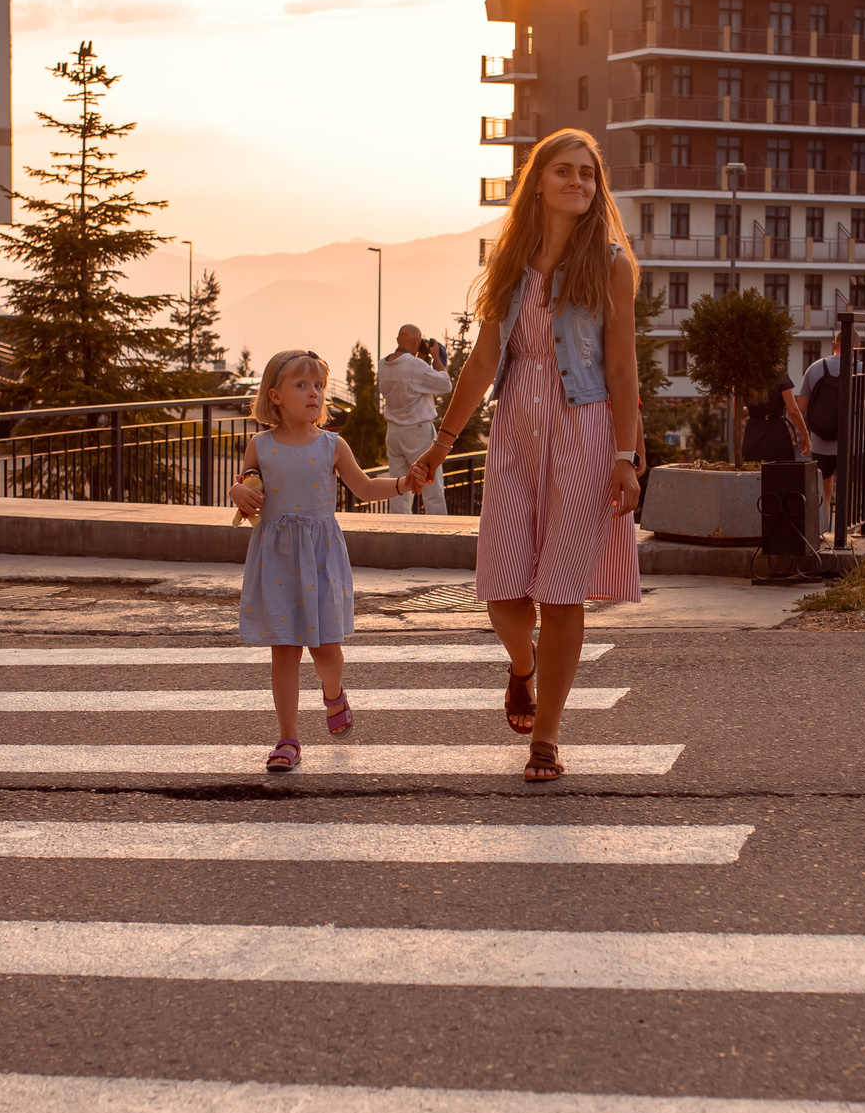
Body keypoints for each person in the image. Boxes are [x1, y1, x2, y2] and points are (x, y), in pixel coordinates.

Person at [411, 128, 642, 782]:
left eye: (587, 175)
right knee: (502, 588)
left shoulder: (611, 262)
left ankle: (546, 737)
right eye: (563, 171)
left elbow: (624, 370)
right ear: (538, 180)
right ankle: (523, 665)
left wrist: (625, 455)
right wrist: (443, 442)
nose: (576, 182)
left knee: (564, 592)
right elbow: (484, 360)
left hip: (586, 430)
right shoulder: (509, 261)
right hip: (515, 430)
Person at [230, 349, 420, 773]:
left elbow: (366, 488)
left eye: (318, 385)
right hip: (276, 559)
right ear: (275, 396)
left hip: (319, 557)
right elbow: (247, 491)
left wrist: (403, 483)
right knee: (284, 651)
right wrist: (236, 493)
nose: (313, 393)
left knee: (326, 651)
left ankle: (333, 692)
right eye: (302, 385)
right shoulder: (259, 445)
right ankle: (288, 739)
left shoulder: (332, 444)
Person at [377, 323, 454, 515]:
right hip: (418, 432)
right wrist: (436, 356)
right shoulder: (414, 365)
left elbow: (409, 380)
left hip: (394, 432)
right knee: (431, 487)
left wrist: (421, 359)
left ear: (398, 341)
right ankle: (439, 536)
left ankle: (400, 534)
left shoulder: (383, 364)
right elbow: (445, 385)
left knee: (399, 488)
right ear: (416, 341)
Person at [796, 324, 850, 507]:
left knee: (823, 491)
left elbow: (801, 406)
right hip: (852, 443)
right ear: (856, 346)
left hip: (820, 441)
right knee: (851, 491)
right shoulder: (862, 368)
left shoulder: (815, 367)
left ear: (834, 344)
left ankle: (823, 530)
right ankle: (851, 532)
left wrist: (806, 435)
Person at [738, 367, 808, 464]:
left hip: (753, 433)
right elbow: (793, 411)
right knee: (780, 474)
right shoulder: (779, 375)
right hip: (776, 433)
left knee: (754, 474)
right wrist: (806, 435)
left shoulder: (746, 377)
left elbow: (736, 413)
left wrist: (757, 410)